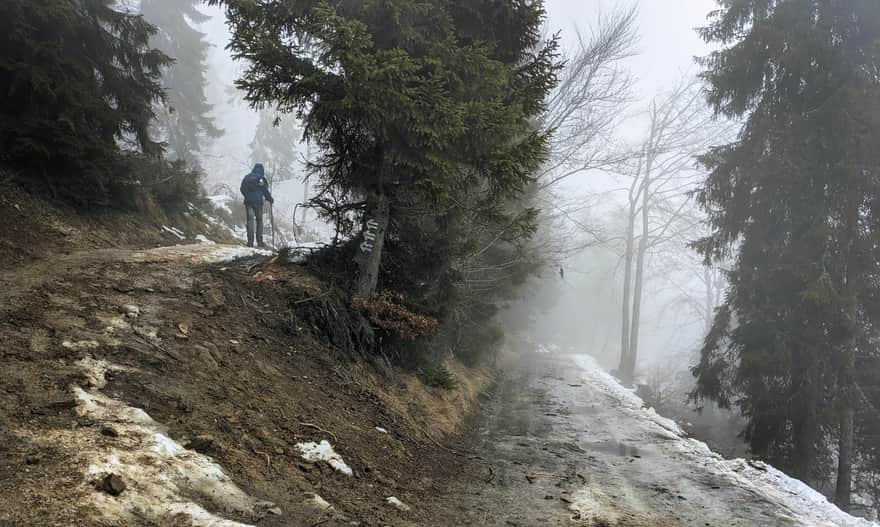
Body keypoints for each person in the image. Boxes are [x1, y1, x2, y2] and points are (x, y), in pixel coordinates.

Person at [240, 163, 274, 247]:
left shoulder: (247, 177)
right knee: (259, 221)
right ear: (262, 170)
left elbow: (242, 188)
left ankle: (250, 242)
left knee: (250, 221)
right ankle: (259, 242)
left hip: (248, 202)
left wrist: (247, 196)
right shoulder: (261, 178)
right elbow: (264, 190)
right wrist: (270, 199)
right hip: (258, 202)